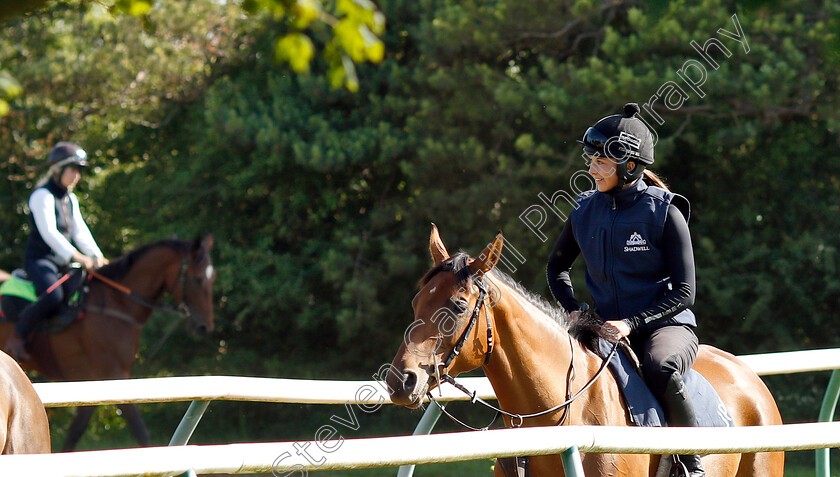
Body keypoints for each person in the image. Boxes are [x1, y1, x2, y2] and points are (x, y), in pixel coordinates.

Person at [546, 103, 704, 476]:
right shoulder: (584, 210)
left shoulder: (665, 211)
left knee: (660, 366)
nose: (590, 168)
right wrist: (573, 309)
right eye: (590, 159)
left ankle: (692, 461)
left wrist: (633, 323)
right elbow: (556, 267)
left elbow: (685, 291)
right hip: (605, 328)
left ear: (630, 166)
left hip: (665, 326)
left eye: (600, 161)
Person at [4, 142, 108, 361]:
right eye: (73, 170)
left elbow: (81, 232)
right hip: (40, 260)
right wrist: (78, 256)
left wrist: (97, 256)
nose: (76, 176)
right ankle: (16, 338)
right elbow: (50, 233)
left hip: (63, 262)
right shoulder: (42, 196)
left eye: (79, 171)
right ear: (58, 169)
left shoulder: (71, 199)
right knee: (54, 295)